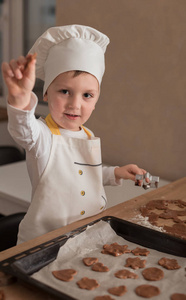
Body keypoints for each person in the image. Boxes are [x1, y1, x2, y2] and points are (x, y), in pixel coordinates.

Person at [2, 24, 148, 244]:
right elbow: (22, 129)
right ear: (46, 93)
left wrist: (116, 173)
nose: (75, 104)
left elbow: (84, 175)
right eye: (64, 91)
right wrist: (20, 101)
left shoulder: (87, 135)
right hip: (44, 242)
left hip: (87, 234)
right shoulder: (41, 136)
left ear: (96, 101)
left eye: (87, 95)